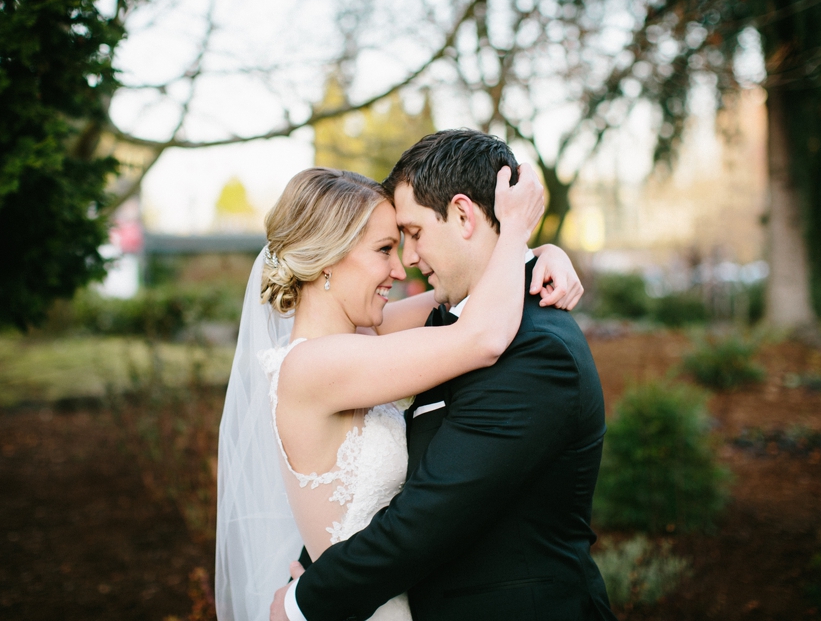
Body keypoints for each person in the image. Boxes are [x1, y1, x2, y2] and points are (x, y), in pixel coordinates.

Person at [216, 152, 582, 621]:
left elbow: (469, 288)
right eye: (385, 249)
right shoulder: (310, 366)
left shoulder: (368, 335)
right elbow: (483, 337)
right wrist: (515, 228)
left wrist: (543, 257)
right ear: (329, 257)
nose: (401, 268)